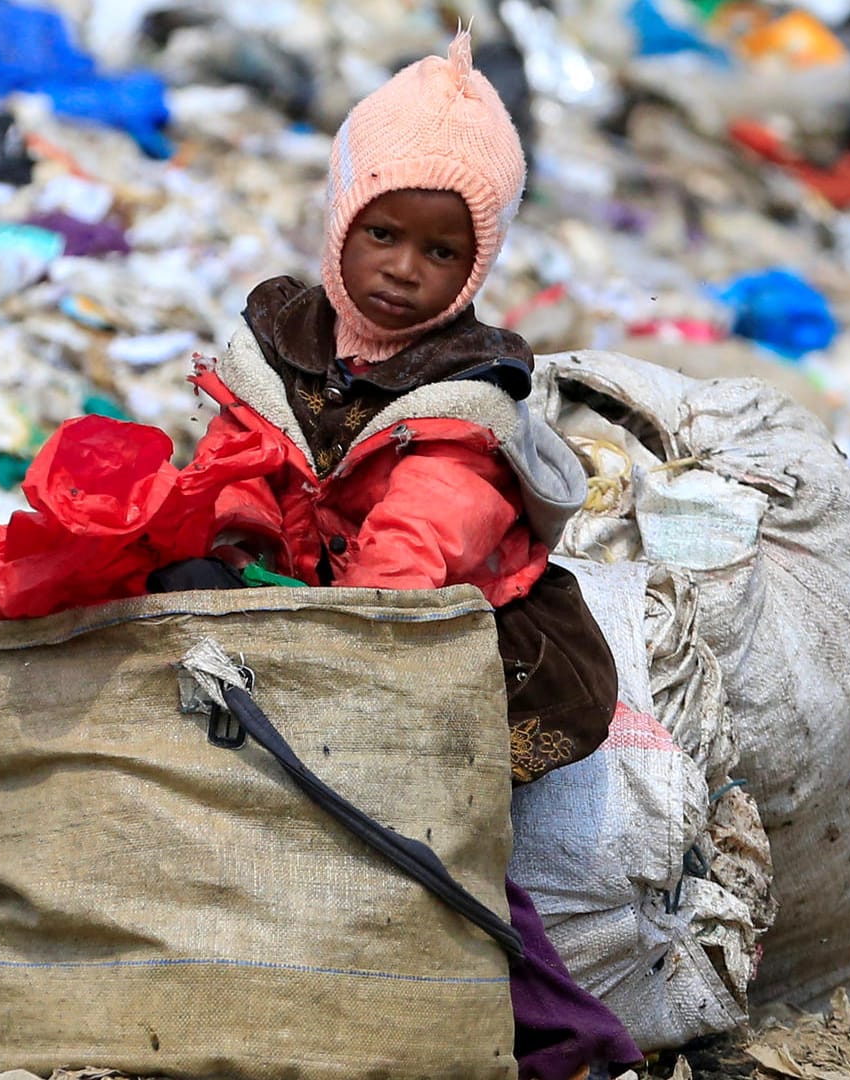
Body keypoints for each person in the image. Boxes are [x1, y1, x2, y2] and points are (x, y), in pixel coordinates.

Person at [148, 31, 642, 1080]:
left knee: (416, 821)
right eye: (383, 234)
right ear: (342, 216)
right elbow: (240, 463)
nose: (404, 273)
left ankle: (571, 1039)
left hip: (480, 652)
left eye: (441, 253)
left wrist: (319, 636)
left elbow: (418, 551)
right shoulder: (284, 341)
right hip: (333, 607)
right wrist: (229, 554)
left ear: (478, 266)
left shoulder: (465, 399)